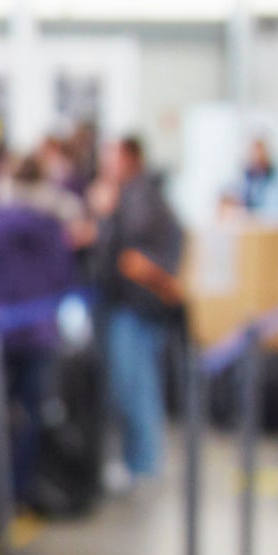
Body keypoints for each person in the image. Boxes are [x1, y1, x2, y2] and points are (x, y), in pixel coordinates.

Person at [0, 153, 81, 506]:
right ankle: (19, 486)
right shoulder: (52, 226)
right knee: (30, 414)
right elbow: (63, 278)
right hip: (39, 332)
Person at [94, 136, 186, 484]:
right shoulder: (144, 193)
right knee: (138, 385)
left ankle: (143, 462)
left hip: (136, 307)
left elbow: (126, 250)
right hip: (139, 306)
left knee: (135, 387)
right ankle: (142, 460)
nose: (107, 163)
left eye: (113, 156)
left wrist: (105, 216)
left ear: (130, 158)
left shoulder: (137, 196)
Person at [238, 136, 278, 218]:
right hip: (248, 226)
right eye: (253, 154)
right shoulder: (243, 182)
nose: (257, 158)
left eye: (260, 154)